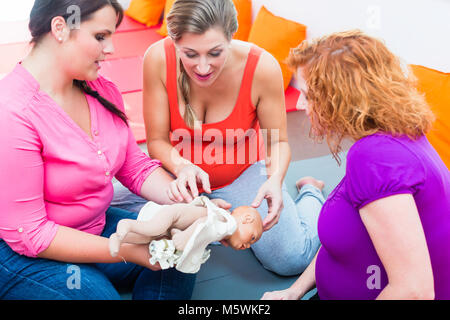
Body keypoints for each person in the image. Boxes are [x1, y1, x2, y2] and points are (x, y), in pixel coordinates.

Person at [0, 0, 212, 300]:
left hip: (96, 228)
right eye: (100, 36)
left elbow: (133, 166)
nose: (111, 48)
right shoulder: (11, 112)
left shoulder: (100, 89)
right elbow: (32, 234)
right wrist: (126, 251)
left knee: (180, 251)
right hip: (27, 254)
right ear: (60, 28)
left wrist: (187, 201)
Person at [112, 0, 325, 276]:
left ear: (231, 37)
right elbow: (156, 142)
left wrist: (274, 179)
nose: (202, 67)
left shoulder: (262, 68)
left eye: (214, 53)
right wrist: (182, 167)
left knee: (291, 259)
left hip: (242, 175)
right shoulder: (157, 58)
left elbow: (278, 142)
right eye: (190, 54)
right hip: (177, 178)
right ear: (174, 42)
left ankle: (311, 191)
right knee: (95, 205)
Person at [262, 30, 450, 300]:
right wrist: (294, 291)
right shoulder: (397, 133)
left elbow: (414, 291)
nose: (301, 103)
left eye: (308, 95)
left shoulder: (374, 158)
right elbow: (341, 241)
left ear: (339, 99)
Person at [109, 196, 263, 273]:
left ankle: (119, 237)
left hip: (174, 221)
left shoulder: (223, 220)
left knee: (146, 238)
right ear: (247, 219)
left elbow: (204, 214)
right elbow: (203, 222)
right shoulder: (229, 224)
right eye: (252, 238)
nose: (247, 245)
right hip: (173, 216)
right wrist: (182, 239)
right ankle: (127, 224)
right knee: (152, 229)